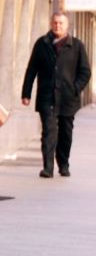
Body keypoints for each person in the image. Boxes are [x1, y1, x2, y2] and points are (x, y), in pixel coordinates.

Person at [21, 12, 91, 178]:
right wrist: (26, 93)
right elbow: (32, 70)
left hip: (68, 98)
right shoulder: (42, 44)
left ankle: (64, 164)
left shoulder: (77, 46)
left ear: (67, 26)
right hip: (47, 97)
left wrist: (75, 88)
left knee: (66, 133)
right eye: (55, 23)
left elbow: (85, 72)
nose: (57, 26)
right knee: (48, 132)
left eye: (61, 23)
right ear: (51, 24)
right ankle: (48, 167)